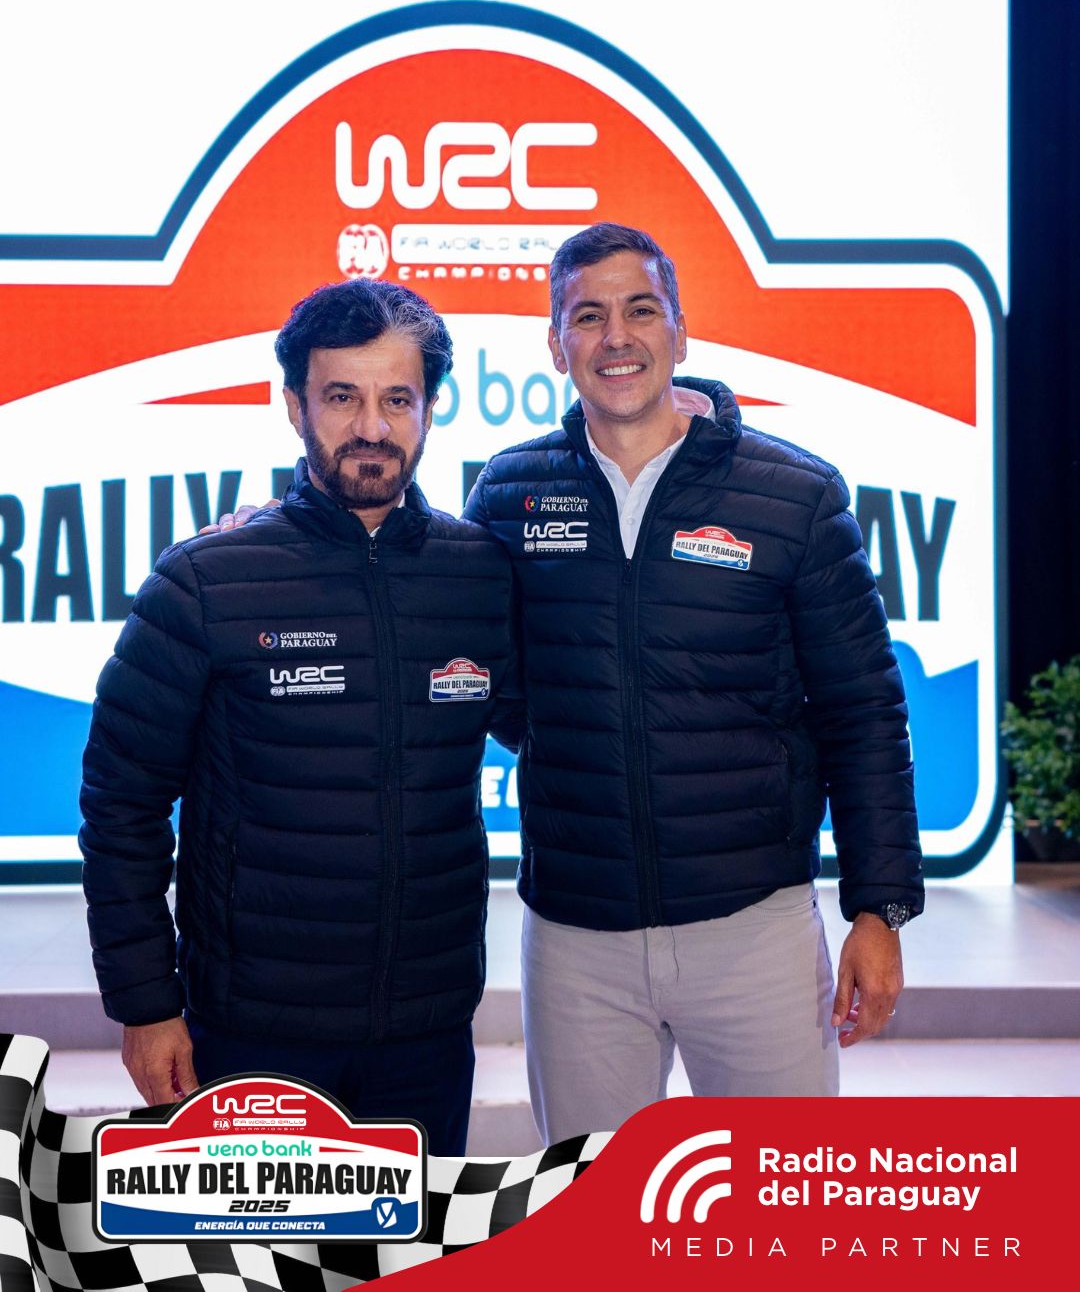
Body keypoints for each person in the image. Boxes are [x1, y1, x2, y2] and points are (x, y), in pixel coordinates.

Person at [463, 223, 924, 1143]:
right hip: (577, 940)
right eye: (587, 317)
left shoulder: (794, 497)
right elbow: (495, 679)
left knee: (777, 1211)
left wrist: (879, 908)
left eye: (641, 310)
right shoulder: (508, 496)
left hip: (754, 929)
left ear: (680, 330)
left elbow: (863, 710)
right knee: (594, 1212)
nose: (616, 337)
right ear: (555, 344)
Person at [79, 278, 518, 1154]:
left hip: (427, 1031)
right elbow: (121, 805)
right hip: (253, 1034)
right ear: (294, 406)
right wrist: (146, 1005)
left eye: (398, 399)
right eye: (342, 397)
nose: (372, 428)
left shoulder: (479, 573)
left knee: (419, 1242)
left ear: (429, 409)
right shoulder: (206, 581)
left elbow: (568, 719)